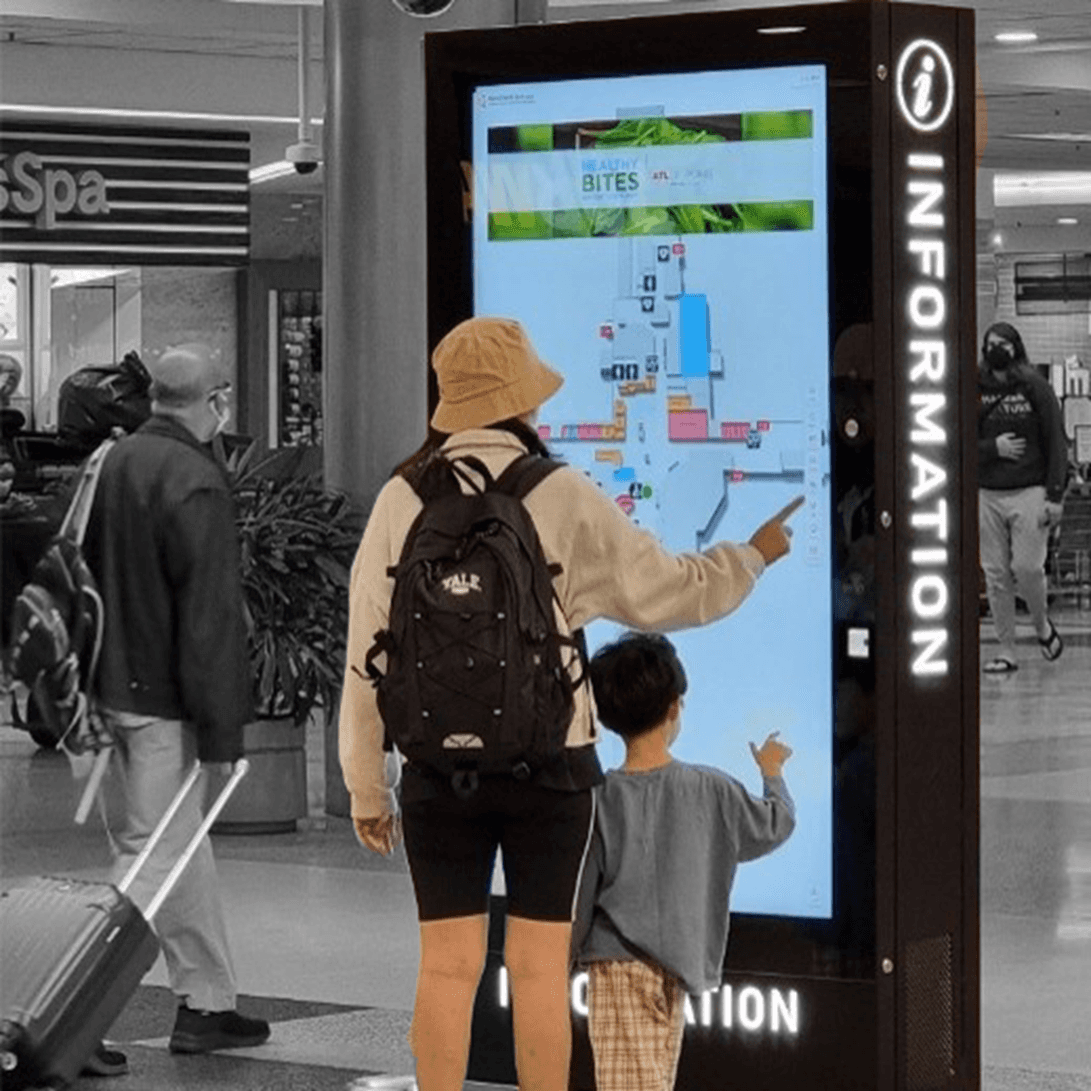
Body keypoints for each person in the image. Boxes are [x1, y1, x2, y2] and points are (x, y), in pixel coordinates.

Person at [339, 315, 802, 1091]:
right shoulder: (558, 491)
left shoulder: (399, 496)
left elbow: (365, 654)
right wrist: (750, 554)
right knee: (539, 967)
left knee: (448, 967)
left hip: (431, 772)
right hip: (549, 770)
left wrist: (364, 783)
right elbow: (668, 591)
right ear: (523, 402)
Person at [81, 343, 270, 1075]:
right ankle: (75, 1013)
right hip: (160, 702)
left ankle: (206, 1002)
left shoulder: (114, 460)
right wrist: (223, 731)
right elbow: (210, 618)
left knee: (173, 852)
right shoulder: (195, 477)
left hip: (109, 691)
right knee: (151, 862)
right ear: (212, 398)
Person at [571, 632, 795, 1091]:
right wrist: (772, 773)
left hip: (615, 967)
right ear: (674, 707)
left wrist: (560, 962)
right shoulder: (711, 789)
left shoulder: (598, 799)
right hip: (678, 970)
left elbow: (580, 891)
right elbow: (774, 824)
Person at [977, 321, 1067, 674]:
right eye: (989, 343)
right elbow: (957, 438)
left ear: (1016, 347)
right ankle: (1007, 650)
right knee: (996, 575)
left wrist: (1056, 496)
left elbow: (1056, 443)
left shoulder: (1036, 388)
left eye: (1002, 343)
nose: (995, 348)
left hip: (1030, 489)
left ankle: (1042, 625)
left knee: (1027, 568)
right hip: (988, 492)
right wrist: (992, 448)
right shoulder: (975, 389)